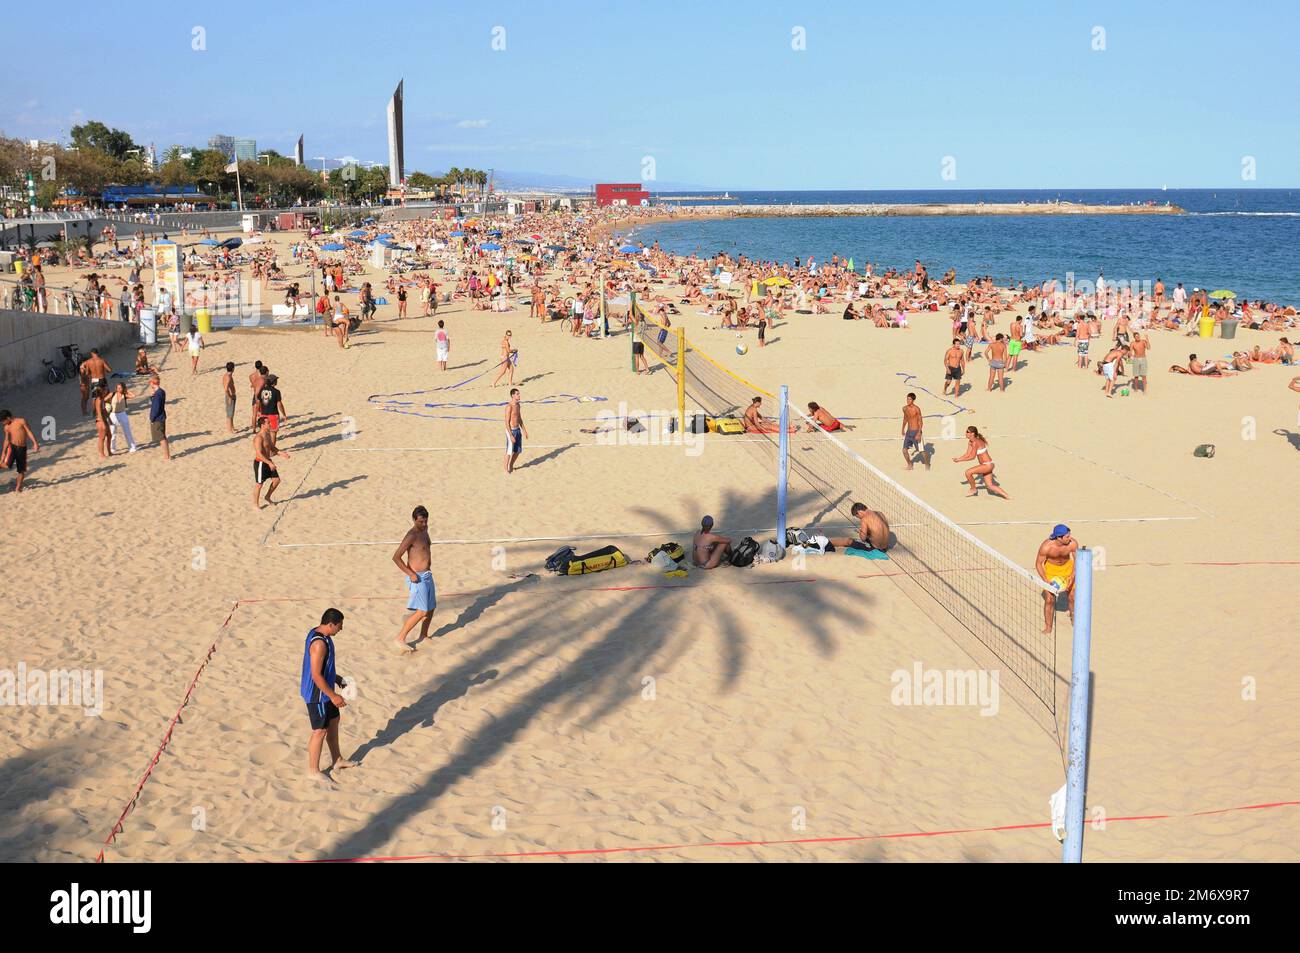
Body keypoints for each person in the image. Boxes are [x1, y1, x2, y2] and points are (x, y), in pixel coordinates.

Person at [300, 607, 356, 781]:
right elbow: (316, 675)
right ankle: (313, 771)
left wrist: (337, 678)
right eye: (339, 625)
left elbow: (323, 669)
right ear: (330, 624)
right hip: (318, 694)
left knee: (333, 722)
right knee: (320, 731)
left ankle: (337, 760)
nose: (341, 628)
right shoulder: (319, 644)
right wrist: (333, 695)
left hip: (326, 689)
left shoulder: (324, 635)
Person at [392, 505, 435, 652]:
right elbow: (396, 557)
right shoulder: (411, 535)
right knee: (422, 611)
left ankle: (423, 635)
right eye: (420, 522)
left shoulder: (425, 530)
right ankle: (400, 638)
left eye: (425, 521)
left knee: (431, 607)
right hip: (417, 577)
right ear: (413, 520)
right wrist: (410, 574)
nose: (423, 524)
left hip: (428, 575)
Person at [1036, 525, 1078, 633]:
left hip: (1067, 569)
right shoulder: (1046, 547)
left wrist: (1072, 575)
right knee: (1049, 600)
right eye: (1067, 536)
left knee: (1072, 596)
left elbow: (1078, 561)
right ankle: (1048, 627)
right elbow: (1039, 564)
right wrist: (1045, 580)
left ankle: (1074, 618)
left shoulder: (1072, 544)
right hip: (1051, 571)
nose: (1070, 538)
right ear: (1059, 537)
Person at [952, 425, 1009, 499]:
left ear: (972, 434)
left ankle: (973, 489)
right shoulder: (970, 442)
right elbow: (967, 454)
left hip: (987, 465)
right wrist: (958, 458)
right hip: (988, 465)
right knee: (990, 486)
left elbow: (972, 457)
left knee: (968, 472)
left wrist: (960, 460)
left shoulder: (976, 442)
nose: (965, 433)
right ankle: (1008, 496)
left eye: (967, 432)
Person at [1, 409, 39, 494]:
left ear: (8, 417)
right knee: (5, 465)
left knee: (21, 470)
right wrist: (3, 452)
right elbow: (6, 440)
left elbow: (29, 432)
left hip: (22, 449)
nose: (2, 423)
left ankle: (17, 489)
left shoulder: (21, 421)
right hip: (12, 447)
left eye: (3, 421)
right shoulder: (6, 427)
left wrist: (35, 443)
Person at [252, 415, 287, 508]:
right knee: (259, 484)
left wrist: (281, 453)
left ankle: (267, 497)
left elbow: (272, 447)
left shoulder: (267, 434)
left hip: (268, 461)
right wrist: (269, 463)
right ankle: (255, 504)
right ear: (263, 425)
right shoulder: (258, 438)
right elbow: (259, 454)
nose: (270, 424)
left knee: (276, 481)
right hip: (260, 463)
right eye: (268, 423)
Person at [901, 392, 930, 470]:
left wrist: (919, 433)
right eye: (907, 399)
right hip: (908, 432)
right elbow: (905, 419)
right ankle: (910, 464)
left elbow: (921, 421)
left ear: (913, 400)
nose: (908, 400)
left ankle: (927, 464)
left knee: (921, 452)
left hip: (916, 431)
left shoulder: (916, 409)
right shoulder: (904, 408)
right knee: (904, 450)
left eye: (910, 399)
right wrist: (902, 429)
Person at [108, 382, 138, 453]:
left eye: (120, 388)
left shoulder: (124, 395)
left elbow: (133, 396)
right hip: (113, 414)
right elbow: (104, 399)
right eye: (117, 388)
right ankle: (112, 448)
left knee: (127, 431)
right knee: (112, 432)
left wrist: (126, 390)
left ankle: (132, 447)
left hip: (122, 414)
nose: (119, 389)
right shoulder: (112, 394)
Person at [504, 387, 528, 474]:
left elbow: (520, 419)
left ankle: (511, 465)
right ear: (513, 395)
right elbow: (506, 422)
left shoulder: (518, 405)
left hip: (517, 430)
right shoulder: (509, 407)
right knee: (509, 451)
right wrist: (510, 435)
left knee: (517, 451)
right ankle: (505, 469)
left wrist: (524, 431)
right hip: (511, 430)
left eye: (519, 394)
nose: (519, 395)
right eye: (517, 394)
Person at [147, 376, 170, 460]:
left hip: (158, 418)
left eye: (150, 383)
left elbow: (156, 408)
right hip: (161, 416)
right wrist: (152, 396)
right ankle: (166, 455)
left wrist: (152, 418)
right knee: (162, 436)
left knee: (161, 438)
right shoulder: (161, 391)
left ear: (153, 383)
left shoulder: (158, 393)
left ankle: (166, 456)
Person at [221, 361, 237, 432]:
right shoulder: (228, 377)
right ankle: (230, 429)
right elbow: (226, 389)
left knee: (231, 413)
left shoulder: (226, 375)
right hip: (230, 396)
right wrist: (230, 397)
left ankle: (232, 427)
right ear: (233, 368)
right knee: (229, 414)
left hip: (231, 395)